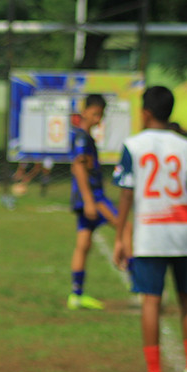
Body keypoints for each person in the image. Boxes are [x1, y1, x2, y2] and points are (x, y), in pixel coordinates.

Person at [113, 86, 187, 372]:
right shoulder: (185, 146)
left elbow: (126, 193)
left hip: (150, 233)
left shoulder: (133, 145)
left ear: (145, 112)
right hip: (184, 232)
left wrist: (120, 235)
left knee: (151, 301)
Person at [67, 94, 114, 310]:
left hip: (89, 198)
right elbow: (78, 167)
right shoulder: (82, 138)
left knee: (83, 244)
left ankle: (76, 294)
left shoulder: (85, 137)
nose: (97, 119)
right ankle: (139, 285)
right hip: (94, 198)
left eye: (100, 115)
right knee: (125, 229)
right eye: (94, 113)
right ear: (84, 111)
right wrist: (88, 201)